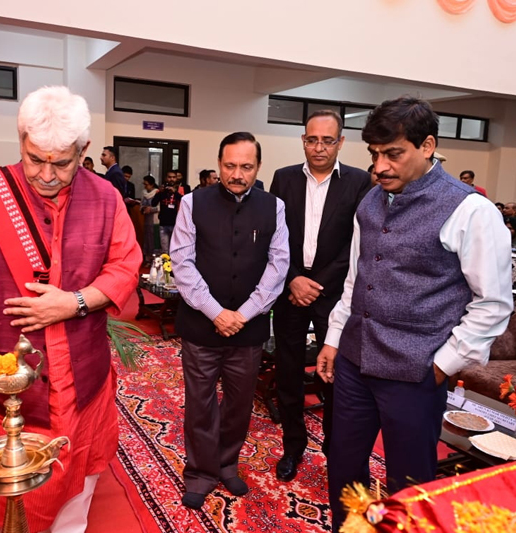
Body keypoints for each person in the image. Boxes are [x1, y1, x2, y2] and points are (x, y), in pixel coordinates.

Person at [0, 86, 142, 533]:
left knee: (71, 509)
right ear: (21, 141)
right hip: (4, 391)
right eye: (34, 159)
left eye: (61, 163)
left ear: (83, 151)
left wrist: (75, 302)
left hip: (83, 388)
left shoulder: (105, 198)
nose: (46, 174)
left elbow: (126, 266)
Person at [316, 96, 512, 531]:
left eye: (393, 153)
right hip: (353, 361)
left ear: (427, 146)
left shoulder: (471, 210)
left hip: (416, 372)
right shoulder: (370, 202)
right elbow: (356, 277)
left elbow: (494, 304)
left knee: (409, 484)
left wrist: (443, 365)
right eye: (374, 155)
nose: (380, 166)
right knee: (344, 467)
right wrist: (333, 338)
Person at [170, 131, 289, 510]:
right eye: (230, 165)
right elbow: (183, 263)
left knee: (239, 404)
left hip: (248, 328)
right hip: (201, 326)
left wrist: (245, 313)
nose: (237, 174)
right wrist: (216, 312)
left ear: (258, 167)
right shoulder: (193, 203)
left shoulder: (275, 207)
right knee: (200, 404)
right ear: (219, 164)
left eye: (246, 166)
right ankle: (200, 473)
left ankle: (226, 464)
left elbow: (278, 265)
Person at [269, 109, 371, 482]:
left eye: (328, 140)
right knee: (289, 373)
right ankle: (293, 447)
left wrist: (316, 285)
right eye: (312, 139)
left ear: (340, 142)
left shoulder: (360, 183)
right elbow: (275, 236)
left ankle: (334, 449)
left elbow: (356, 245)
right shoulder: (283, 179)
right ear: (303, 141)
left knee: (334, 376)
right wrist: (294, 278)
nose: (319, 147)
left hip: (334, 296)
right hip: (289, 292)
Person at [152, 170, 182, 252]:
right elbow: (153, 203)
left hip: (176, 223)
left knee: (175, 249)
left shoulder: (181, 189)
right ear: (166, 178)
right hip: (163, 223)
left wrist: (175, 193)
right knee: (164, 249)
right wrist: (159, 192)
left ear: (176, 178)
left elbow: (185, 201)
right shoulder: (162, 191)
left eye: (173, 177)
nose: (171, 179)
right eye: (169, 177)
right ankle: (166, 264)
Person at [140, 175, 160, 264]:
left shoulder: (157, 193)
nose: (145, 186)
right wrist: (143, 208)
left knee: (154, 240)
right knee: (147, 239)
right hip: (147, 220)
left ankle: (155, 259)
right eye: (144, 184)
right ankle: (147, 259)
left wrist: (150, 209)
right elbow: (141, 204)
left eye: (146, 184)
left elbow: (159, 207)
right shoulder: (144, 194)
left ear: (152, 185)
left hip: (155, 219)